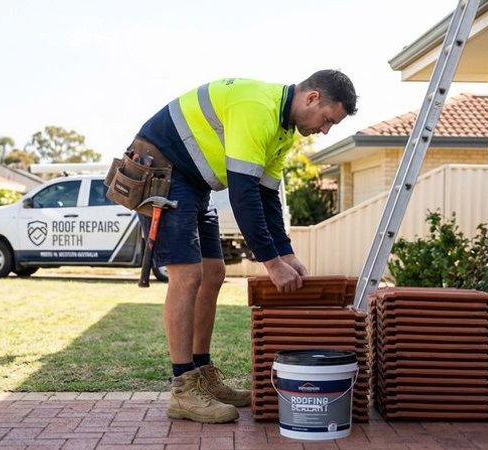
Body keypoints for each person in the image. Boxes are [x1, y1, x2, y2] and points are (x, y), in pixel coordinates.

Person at [130, 69, 357, 423]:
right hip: (163, 172)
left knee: (213, 273)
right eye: (327, 120)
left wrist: (287, 254)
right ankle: (183, 389)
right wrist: (271, 263)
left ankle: (202, 373)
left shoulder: (283, 133)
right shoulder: (258, 109)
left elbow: (267, 198)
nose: (325, 130)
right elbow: (244, 195)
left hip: (194, 184)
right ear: (312, 98)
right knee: (188, 276)